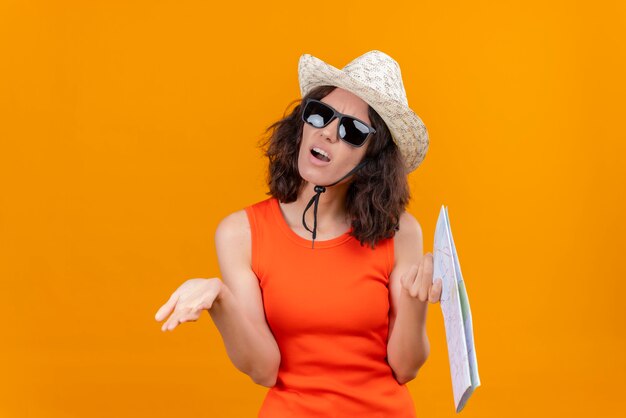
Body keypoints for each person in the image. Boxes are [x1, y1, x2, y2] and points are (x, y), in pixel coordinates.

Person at [154, 50, 443, 417]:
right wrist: (220, 300)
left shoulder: (400, 233)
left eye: (352, 131)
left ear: (372, 160)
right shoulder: (240, 234)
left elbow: (406, 367)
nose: (327, 132)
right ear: (301, 123)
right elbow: (264, 370)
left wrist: (416, 305)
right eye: (320, 114)